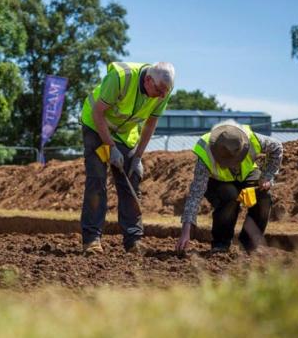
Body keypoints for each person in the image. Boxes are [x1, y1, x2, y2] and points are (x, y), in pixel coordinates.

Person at [80, 61, 175, 255]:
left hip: (124, 133)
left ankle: (133, 241)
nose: (163, 96)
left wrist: (138, 157)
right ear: (148, 80)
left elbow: (150, 124)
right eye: (159, 90)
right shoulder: (121, 78)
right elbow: (98, 112)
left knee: (131, 177)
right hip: (96, 126)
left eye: (166, 91)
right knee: (97, 181)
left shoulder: (163, 90)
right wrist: (111, 147)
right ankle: (92, 240)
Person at [175, 120, 283, 253]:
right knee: (230, 197)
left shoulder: (252, 139)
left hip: (247, 173)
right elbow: (195, 194)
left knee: (263, 198)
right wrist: (186, 231)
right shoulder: (205, 153)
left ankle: (249, 246)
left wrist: (267, 176)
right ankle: (221, 245)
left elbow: (277, 147)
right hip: (217, 181)